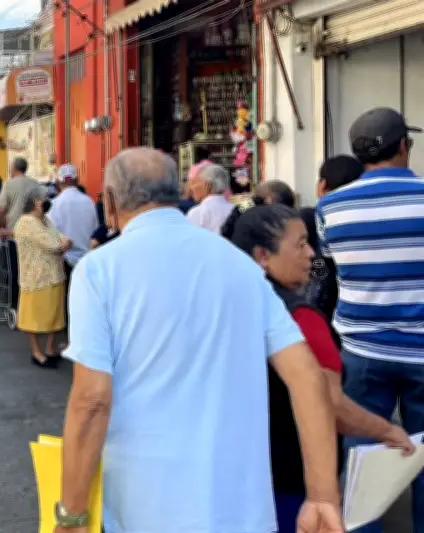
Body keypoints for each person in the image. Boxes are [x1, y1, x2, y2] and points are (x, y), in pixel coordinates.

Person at [56, 148, 342, 533]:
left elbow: (91, 401)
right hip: (242, 510)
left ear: (109, 202)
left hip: (146, 509)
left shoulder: (100, 270)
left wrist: (72, 514)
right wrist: (322, 494)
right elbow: (309, 377)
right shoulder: (239, 265)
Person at [231, 203, 414, 533]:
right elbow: (329, 405)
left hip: (237, 471)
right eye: (300, 244)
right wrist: (387, 431)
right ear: (262, 255)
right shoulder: (301, 319)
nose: (312, 254)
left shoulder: (224, 306)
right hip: (290, 476)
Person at [317, 107, 424, 533]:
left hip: (361, 352)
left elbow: (332, 265)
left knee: (363, 454)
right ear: (403, 145)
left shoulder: (331, 208)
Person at [300, 156, 363, 330]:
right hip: (354, 318)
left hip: (319, 315)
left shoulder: (307, 218)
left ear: (322, 185)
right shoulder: (368, 222)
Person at [14, 190, 71, 367]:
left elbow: (61, 238)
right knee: (34, 317)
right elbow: (54, 243)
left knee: (54, 315)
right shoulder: (27, 222)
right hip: (36, 277)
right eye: (42, 199)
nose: (46, 201)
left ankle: (50, 349)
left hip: (54, 274)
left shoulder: (45, 220)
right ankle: (36, 352)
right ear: (33, 202)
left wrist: (64, 243)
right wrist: (63, 244)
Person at [46, 163, 97, 325]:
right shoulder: (89, 201)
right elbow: (94, 229)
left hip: (64, 257)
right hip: (86, 257)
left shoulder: (55, 204)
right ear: (77, 180)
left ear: (59, 182)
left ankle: (68, 330)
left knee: (66, 297)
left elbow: (51, 233)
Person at [0, 157, 47, 307]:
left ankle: (14, 302)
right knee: (30, 269)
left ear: (13, 168)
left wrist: (2, 227)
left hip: (13, 232)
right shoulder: (36, 185)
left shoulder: (8, 184)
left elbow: (1, 209)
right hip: (32, 231)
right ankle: (30, 301)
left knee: (14, 268)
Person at [186, 163, 234, 233]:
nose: (191, 188)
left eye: (194, 183)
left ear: (207, 185)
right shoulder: (234, 209)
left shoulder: (198, 212)